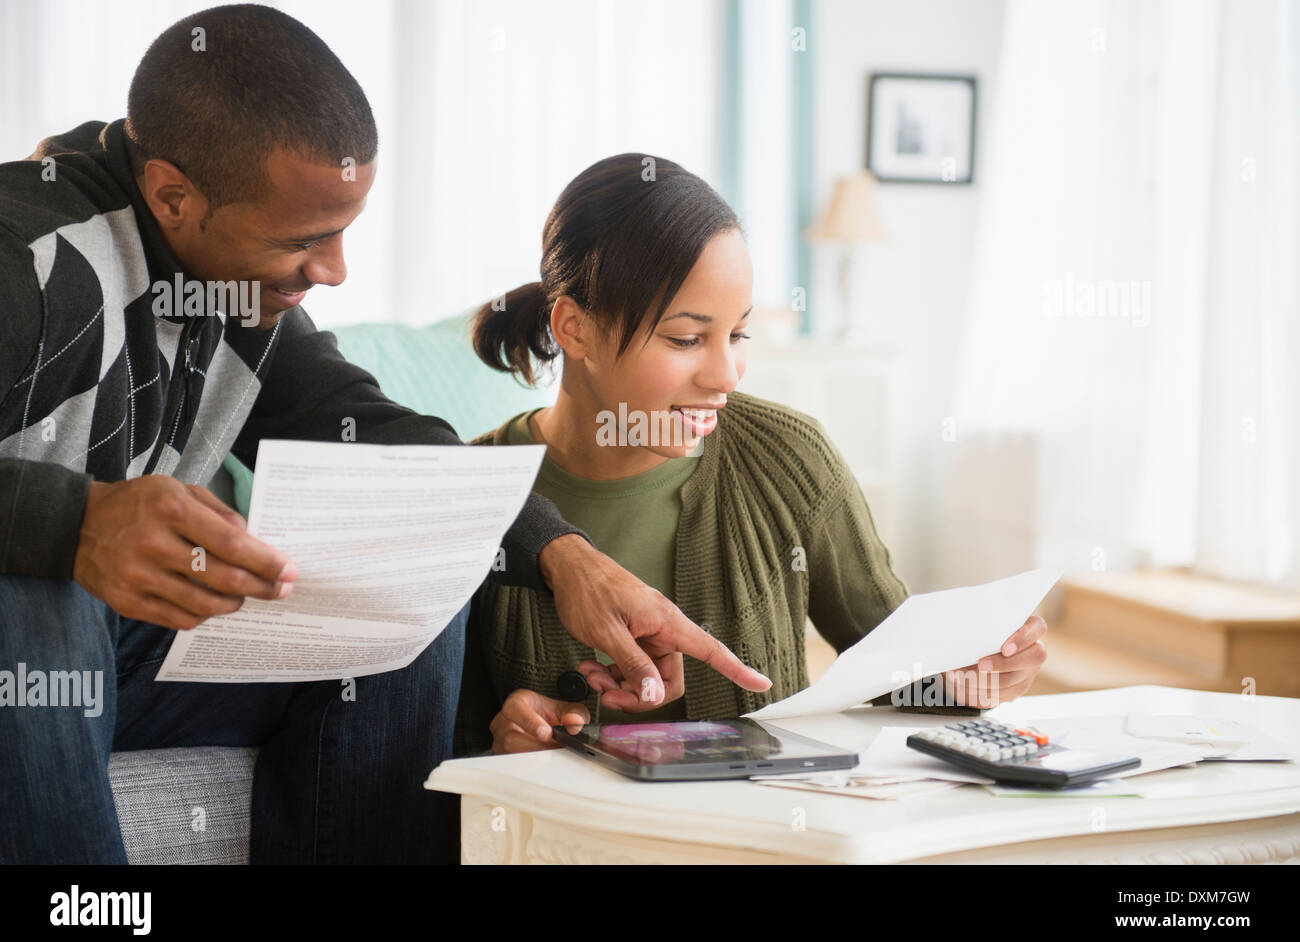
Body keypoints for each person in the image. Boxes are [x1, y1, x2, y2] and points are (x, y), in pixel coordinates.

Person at [0, 6, 768, 864]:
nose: (334, 271)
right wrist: (77, 521)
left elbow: (374, 430)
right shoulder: (26, 260)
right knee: (38, 596)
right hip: (31, 653)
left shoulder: (230, 285)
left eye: (342, 232)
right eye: (305, 239)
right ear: (172, 194)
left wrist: (564, 557)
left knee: (399, 598)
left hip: (113, 655)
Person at [456, 154, 1048, 755]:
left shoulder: (789, 456)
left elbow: (893, 667)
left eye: (737, 335)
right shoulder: (467, 497)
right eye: (686, 339)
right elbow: (429, 747)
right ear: (574, 328)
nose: (726, 376)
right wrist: (499, 742)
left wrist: (966, 676)